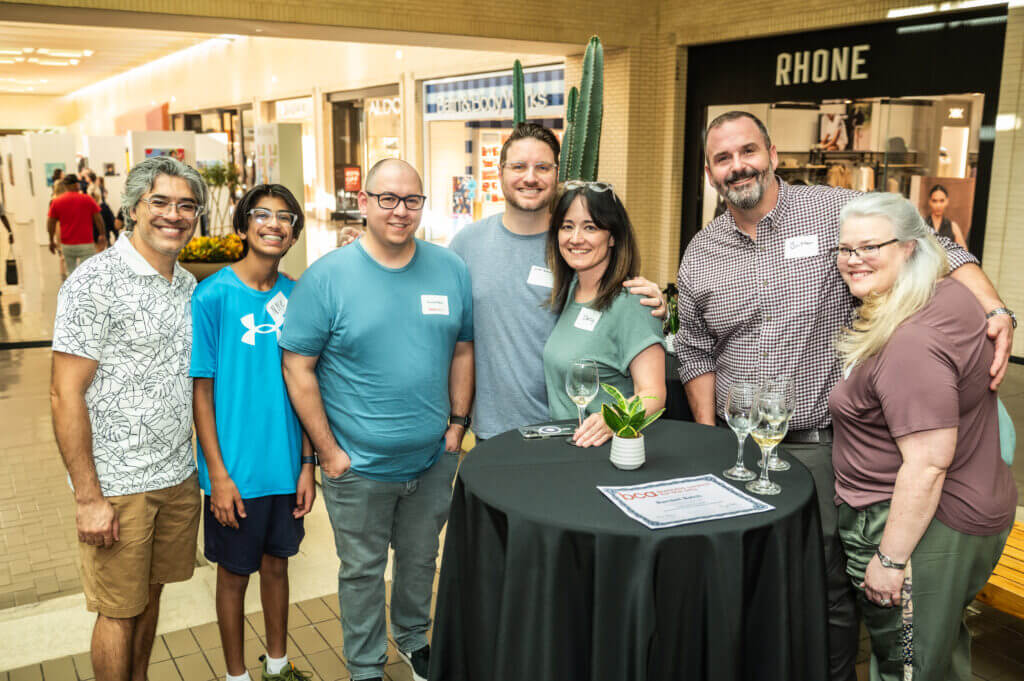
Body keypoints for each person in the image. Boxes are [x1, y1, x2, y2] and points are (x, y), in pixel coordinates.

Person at [675, 110, 1014, 681]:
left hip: (825, 446)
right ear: (710, 172)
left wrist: (996, 308)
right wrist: (712, 440)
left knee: (831, 586)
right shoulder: (702, 251)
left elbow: (935, 248)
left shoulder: (833, 212)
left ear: (773, 154)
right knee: (749, 569)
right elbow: (696, 350)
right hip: (741, 446)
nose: (738, 167)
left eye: (748, 151)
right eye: (723, 158)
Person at [280, 158, 473, 681]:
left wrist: (457, 424)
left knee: (419, 561)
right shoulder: (326, 278)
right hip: (357, 467)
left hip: (432, 459)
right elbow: (297, 367)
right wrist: (327, 452)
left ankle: (413, 640)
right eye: (387, 198)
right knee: (362, 573)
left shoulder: (449, 269)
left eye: (411, 199)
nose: (400, 210)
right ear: (363, 202)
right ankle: (365, 667)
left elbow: (461, 349)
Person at [829, 192, 1016, 680]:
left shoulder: (910, 341)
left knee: (907, 666)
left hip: (917, 526)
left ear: (911, 247)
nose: (853, 261)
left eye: (870, 247)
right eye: (845, 249)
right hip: (964, 507)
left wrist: (890, 561)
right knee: (934, 653)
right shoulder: (946, 292)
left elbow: (928, 464)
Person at [50, 156, 207, 681]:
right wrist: (88, 497)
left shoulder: (187, 285)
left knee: (151, 595)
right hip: (117, 486)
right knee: (117, 610)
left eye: (186, 205)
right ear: (134, 207)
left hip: (175, 475)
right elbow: (63, 394)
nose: (174, 215)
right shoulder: (94, 282)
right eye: (160, 202)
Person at [446, 122, 665, 440]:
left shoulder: (572, 253)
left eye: (542, 167)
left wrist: (657, 305)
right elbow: (451, 334)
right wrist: (456, 419)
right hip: (491, 431)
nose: (530, 177)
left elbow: (615, 305)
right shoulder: (467, 244)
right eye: (519, 166)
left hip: (562, 430)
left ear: (557, 173)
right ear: (500, 171)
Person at [191, 184, 315, 681]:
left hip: (285, 467)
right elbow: (201, 393)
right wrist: (217, 475)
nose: (273, 224)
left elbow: (309, 384)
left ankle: (279, 666)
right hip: (235, 473)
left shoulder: (297, 294)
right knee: (233, 576)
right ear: (244, 225)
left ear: (293, 234)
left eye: (285, 217)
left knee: (279, 566)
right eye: (262, 214)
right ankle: (236, 675)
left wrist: (307, 464)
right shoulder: (213, 295)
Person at [542, 181, 666, 447]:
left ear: (612, 236)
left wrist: (612, 419)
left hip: (606, 452)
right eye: (567, 226)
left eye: (590, 227)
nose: (576, 238)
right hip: (567, 451)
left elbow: (654, 394)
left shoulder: (634, 302)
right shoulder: (572, 289)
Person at [47, 174, 107, 275]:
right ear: (77, 185)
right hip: (86, 243)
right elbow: (98, 219)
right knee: (87, 273)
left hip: (67, 244)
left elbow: (50, 223)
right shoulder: (87, 199)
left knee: (71, 273)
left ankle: (73, 289)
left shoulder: (57, 202)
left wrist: (51, 240)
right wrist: (102, 234)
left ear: (65, 186)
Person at [924, 184, 968, 250]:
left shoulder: (953, 226)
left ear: (947, 201)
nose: (938, 205)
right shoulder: (922, 224)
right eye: (934, 201)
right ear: (929, 202)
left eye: (942, 201)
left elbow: (964, 252)